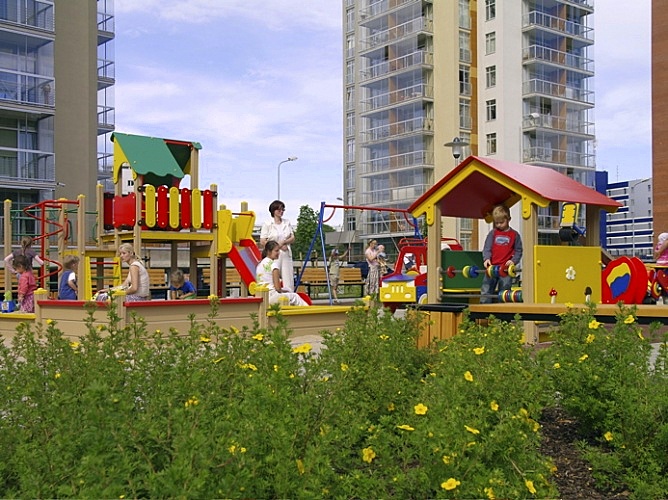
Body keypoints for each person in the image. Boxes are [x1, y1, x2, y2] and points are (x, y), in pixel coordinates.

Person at [481, 205, 523, 304]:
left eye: (501, 222)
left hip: (505, 269)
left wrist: (513, 261)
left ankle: (503, 310)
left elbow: (518, 250)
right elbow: (487, 248)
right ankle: (483, 309)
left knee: (504, 291)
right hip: (492, 267)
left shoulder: (514, 235)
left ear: (508, 219)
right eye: (496, 223)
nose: (499, 225)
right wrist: (486, 258)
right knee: (486, 289)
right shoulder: (493, 233)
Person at [256, 240, 309, 306]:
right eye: (276, 251)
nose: (279, 253)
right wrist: (284, 291)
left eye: (279, 250)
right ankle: (309, 310)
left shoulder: (260, 264)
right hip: (271, 296)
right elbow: (277, 288)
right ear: (269, 252)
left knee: (288, 293)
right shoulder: (273, 265)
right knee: (295, 296)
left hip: (261, 295)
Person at [260, 200, 295, 292]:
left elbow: (292, 237)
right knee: (273, 275)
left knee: (288, 277)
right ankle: (274, 294)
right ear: (273, 211)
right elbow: (263, 241)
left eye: (283, 210)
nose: (281, 211)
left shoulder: (287, 222)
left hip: (286, 253)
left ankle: (290, 294)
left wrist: (284, 242)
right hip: (274, 255)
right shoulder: (267, 224)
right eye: (279, 210)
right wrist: (278, 246)